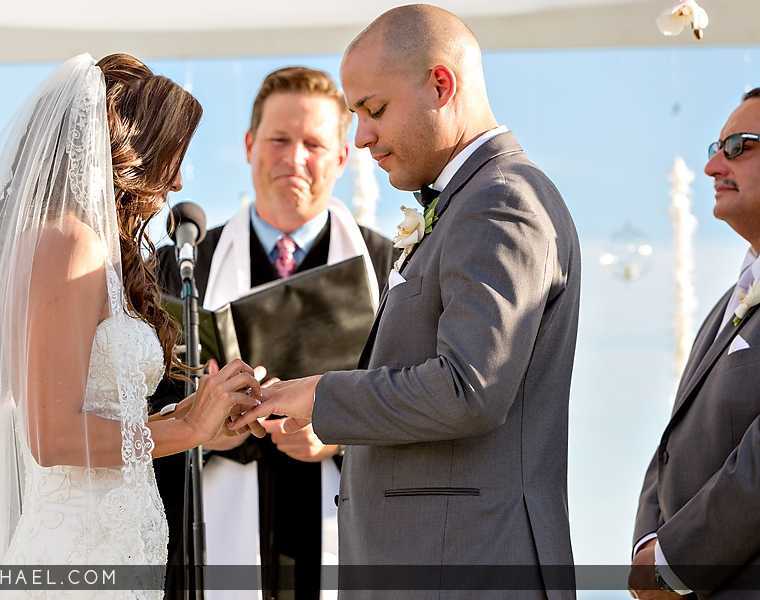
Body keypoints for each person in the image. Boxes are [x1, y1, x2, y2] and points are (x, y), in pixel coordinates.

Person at [232, 6, 581, 600]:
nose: (362, 134)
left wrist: (319, 395)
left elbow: (468, 389)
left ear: (441, 86)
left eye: (373, 109)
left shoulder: (501, 202)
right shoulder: (466, 202)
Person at [0, 53, 262, 600]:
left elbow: (104, 414)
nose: (178, 179)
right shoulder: (66, 243)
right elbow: (54, 436)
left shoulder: (97, 251)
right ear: (129, 151)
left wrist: (196, 414)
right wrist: (187, 432)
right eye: (171, 157)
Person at [152, 66, 396, 600]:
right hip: (208, 542)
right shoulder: (181, 268)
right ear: (249, 145)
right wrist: (198, 425)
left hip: (344, 535)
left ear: (340, 156)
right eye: (279, 140)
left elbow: (418, 399)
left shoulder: (390, 269)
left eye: (313, 143)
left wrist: (338, 434)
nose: (294, 158)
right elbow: (136, 406)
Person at [629, 89, 760, 599]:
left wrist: (673, 563)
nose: (711, 167)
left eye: (738, 146)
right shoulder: (726, 305)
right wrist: (647, 545)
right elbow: (674, 441)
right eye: (715, 147)